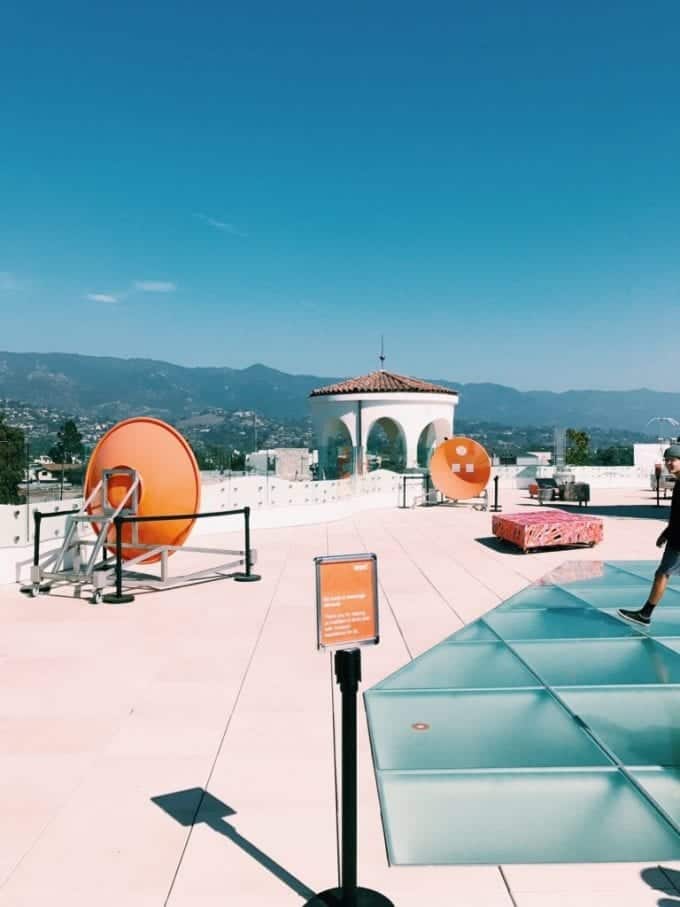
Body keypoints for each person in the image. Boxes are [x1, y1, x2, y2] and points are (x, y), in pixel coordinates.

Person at [619, 445, 680, 625]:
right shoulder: (678, 483)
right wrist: (666, 533)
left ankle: (645, 614)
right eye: (667, 460)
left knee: (663, 573)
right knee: (662, 573)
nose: (669, 463)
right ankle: (645, 613)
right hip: (675, 536)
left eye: (673, 460)